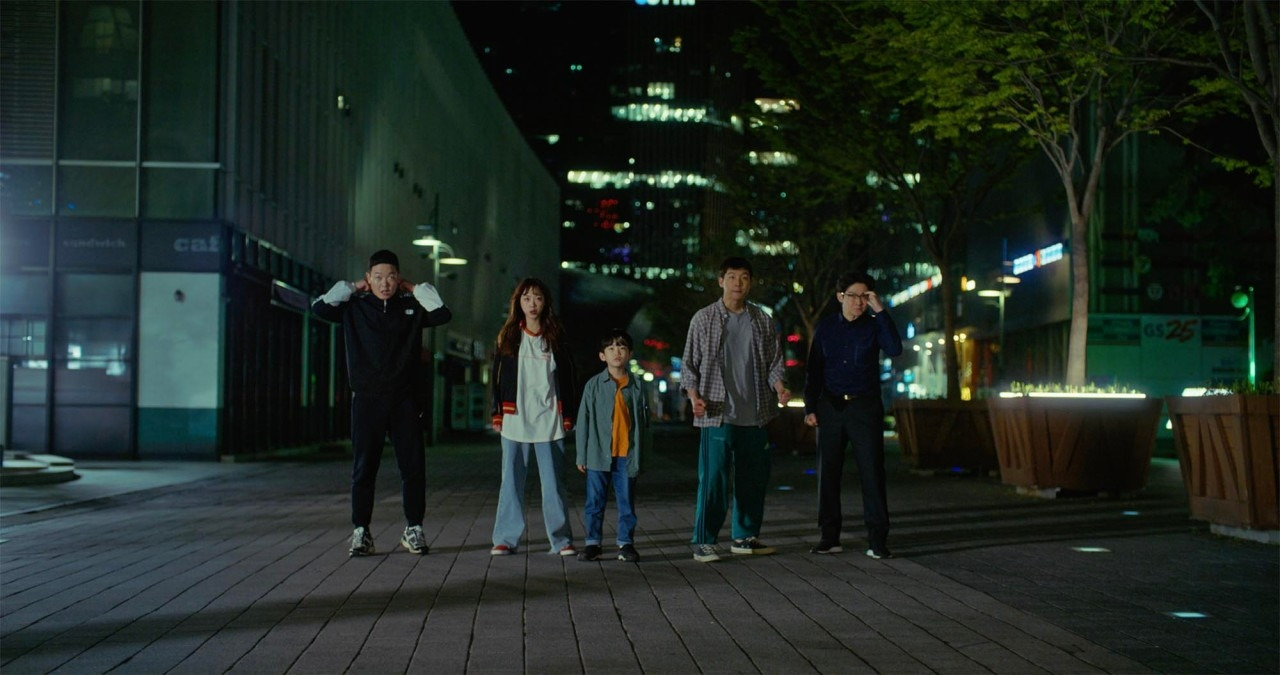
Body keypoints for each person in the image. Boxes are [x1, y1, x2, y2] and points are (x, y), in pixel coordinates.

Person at [312, 249, 453, 557]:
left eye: (391, 277)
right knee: (364, 468)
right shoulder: (355, 307)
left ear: (398, 279)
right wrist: (353, 287)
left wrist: (413, 288)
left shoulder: (410, 308)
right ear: (368, 278)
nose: (384, 283)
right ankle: (361, 532)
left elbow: (443, 313)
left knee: (413, 467)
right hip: (367, 400)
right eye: (378, 277)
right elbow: (320, 308)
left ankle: (413, 528)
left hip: (404, 400)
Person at [682, 257, 790, 563]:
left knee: (753, 478)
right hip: (716, 412)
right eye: (731, 277)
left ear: (750, 283)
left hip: (755, 412)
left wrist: (780, 387)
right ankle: (704, 540)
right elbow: (689, 364)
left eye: (744, 277)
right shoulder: (704, 318)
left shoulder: (762, 320)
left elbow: (774, 362)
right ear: (721, 281)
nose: (737, 283)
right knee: (714, 479)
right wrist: (693, 396)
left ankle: (745, 536)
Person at [803, 271, 903, 559]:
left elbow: (894, 349)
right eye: (853, 296)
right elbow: (814, 369)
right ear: (840, 297)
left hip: (864, 407)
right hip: (831, 407)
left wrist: (880, 310)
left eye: (864, 296)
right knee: (828, 474)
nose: (858, 302)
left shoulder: (873, 325)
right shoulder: (826, 327)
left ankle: (877, 540)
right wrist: (810, 407)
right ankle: (829, 537)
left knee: (872, 473)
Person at [489, 278, 579, 556]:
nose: (532, 304)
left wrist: (568, 413)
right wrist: (496, 412)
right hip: (514, 418)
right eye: (526, 298)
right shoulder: (509, 337)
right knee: (511, 482)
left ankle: (561, 540)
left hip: (549, 419)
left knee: (553, 484)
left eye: (537, 298)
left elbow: (569, 377)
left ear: (545, 302)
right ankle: (505, 538)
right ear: (518, 302)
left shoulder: (556, 338)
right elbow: (496, 377)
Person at [575, 329, 652, 563]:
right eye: (610, 348)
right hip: (598, 454)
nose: (616, 352)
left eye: (621, 347)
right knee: (594, 502)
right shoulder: (594, 385)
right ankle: (593, 543)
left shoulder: (638, 386)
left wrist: (643, 456)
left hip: (627, 454)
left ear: (630, 353)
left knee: (626, 502)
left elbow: (645, 424)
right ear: (602, 356)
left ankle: (626, 543)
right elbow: (583, 421)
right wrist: (581, 455)